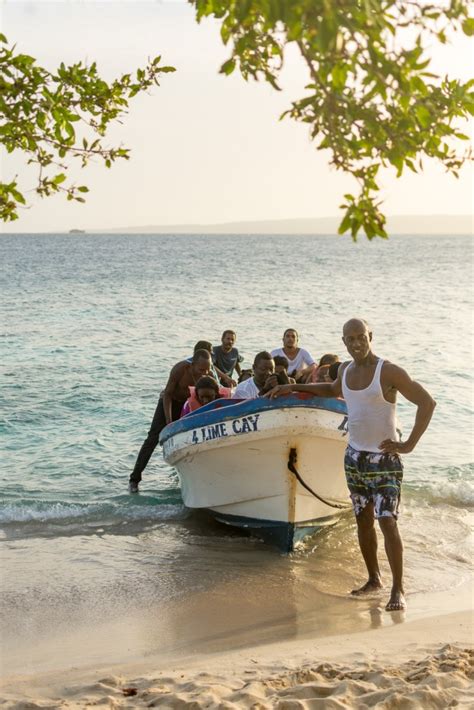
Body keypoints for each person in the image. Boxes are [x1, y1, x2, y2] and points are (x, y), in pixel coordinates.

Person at [265, 318, 436, 612]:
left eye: (361, 337)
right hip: (354, 457)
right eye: (350, 339)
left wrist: (408, 445)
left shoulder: (389, 371)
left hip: (384, 460)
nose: (357, 343)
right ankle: (374, 579)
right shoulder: (344, 369)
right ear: (343, 342)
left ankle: (399, 588)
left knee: (387, 521)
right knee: (363, 520)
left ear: (370, 336)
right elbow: (332, 389)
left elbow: (427, 402)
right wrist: (291, 387)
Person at [129, 349, 213, 492]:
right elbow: (167, 394)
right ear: (192, 365)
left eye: (208, 369)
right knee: (152, 438)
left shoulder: (207, 377)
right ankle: (134, 479)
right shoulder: (180, 369)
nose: (204, 373)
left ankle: (188, 478)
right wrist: (169, 421)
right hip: (169, 402)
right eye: (201, 369)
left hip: (186, 406)